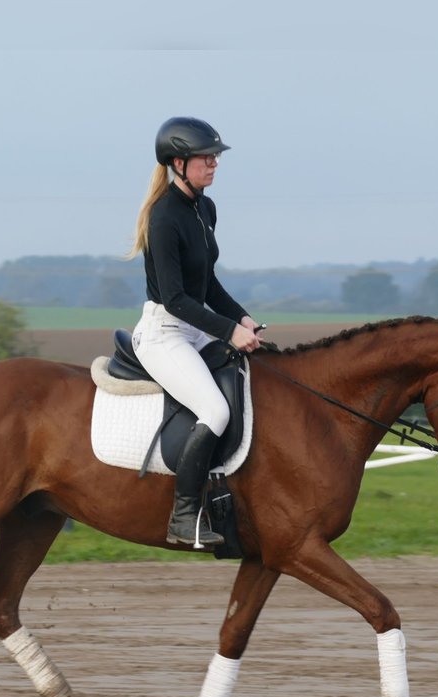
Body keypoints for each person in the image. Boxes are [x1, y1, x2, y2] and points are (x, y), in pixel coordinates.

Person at [128, 116, 262, 547]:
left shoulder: (205, 208)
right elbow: (176, 299)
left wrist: (240, 319)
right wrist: (225, 330)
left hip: (195, 326)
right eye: (207, 158)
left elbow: (207, 286)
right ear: (178, 162)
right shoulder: (164, 217)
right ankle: (183, 516)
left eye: (215, 157)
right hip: (165, 332)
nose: (214, 164)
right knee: (216, 411)